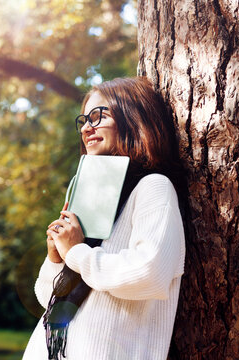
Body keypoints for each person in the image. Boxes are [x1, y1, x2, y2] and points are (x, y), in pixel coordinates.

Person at [22, 77, 186, 360]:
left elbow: (150, 274)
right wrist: (57, 258)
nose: (87, 127)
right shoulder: (92, 195)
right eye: (84, 119)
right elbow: (47, 298)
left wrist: (76, 252)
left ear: (133, 117)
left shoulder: (153, 187)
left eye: (100, 115)